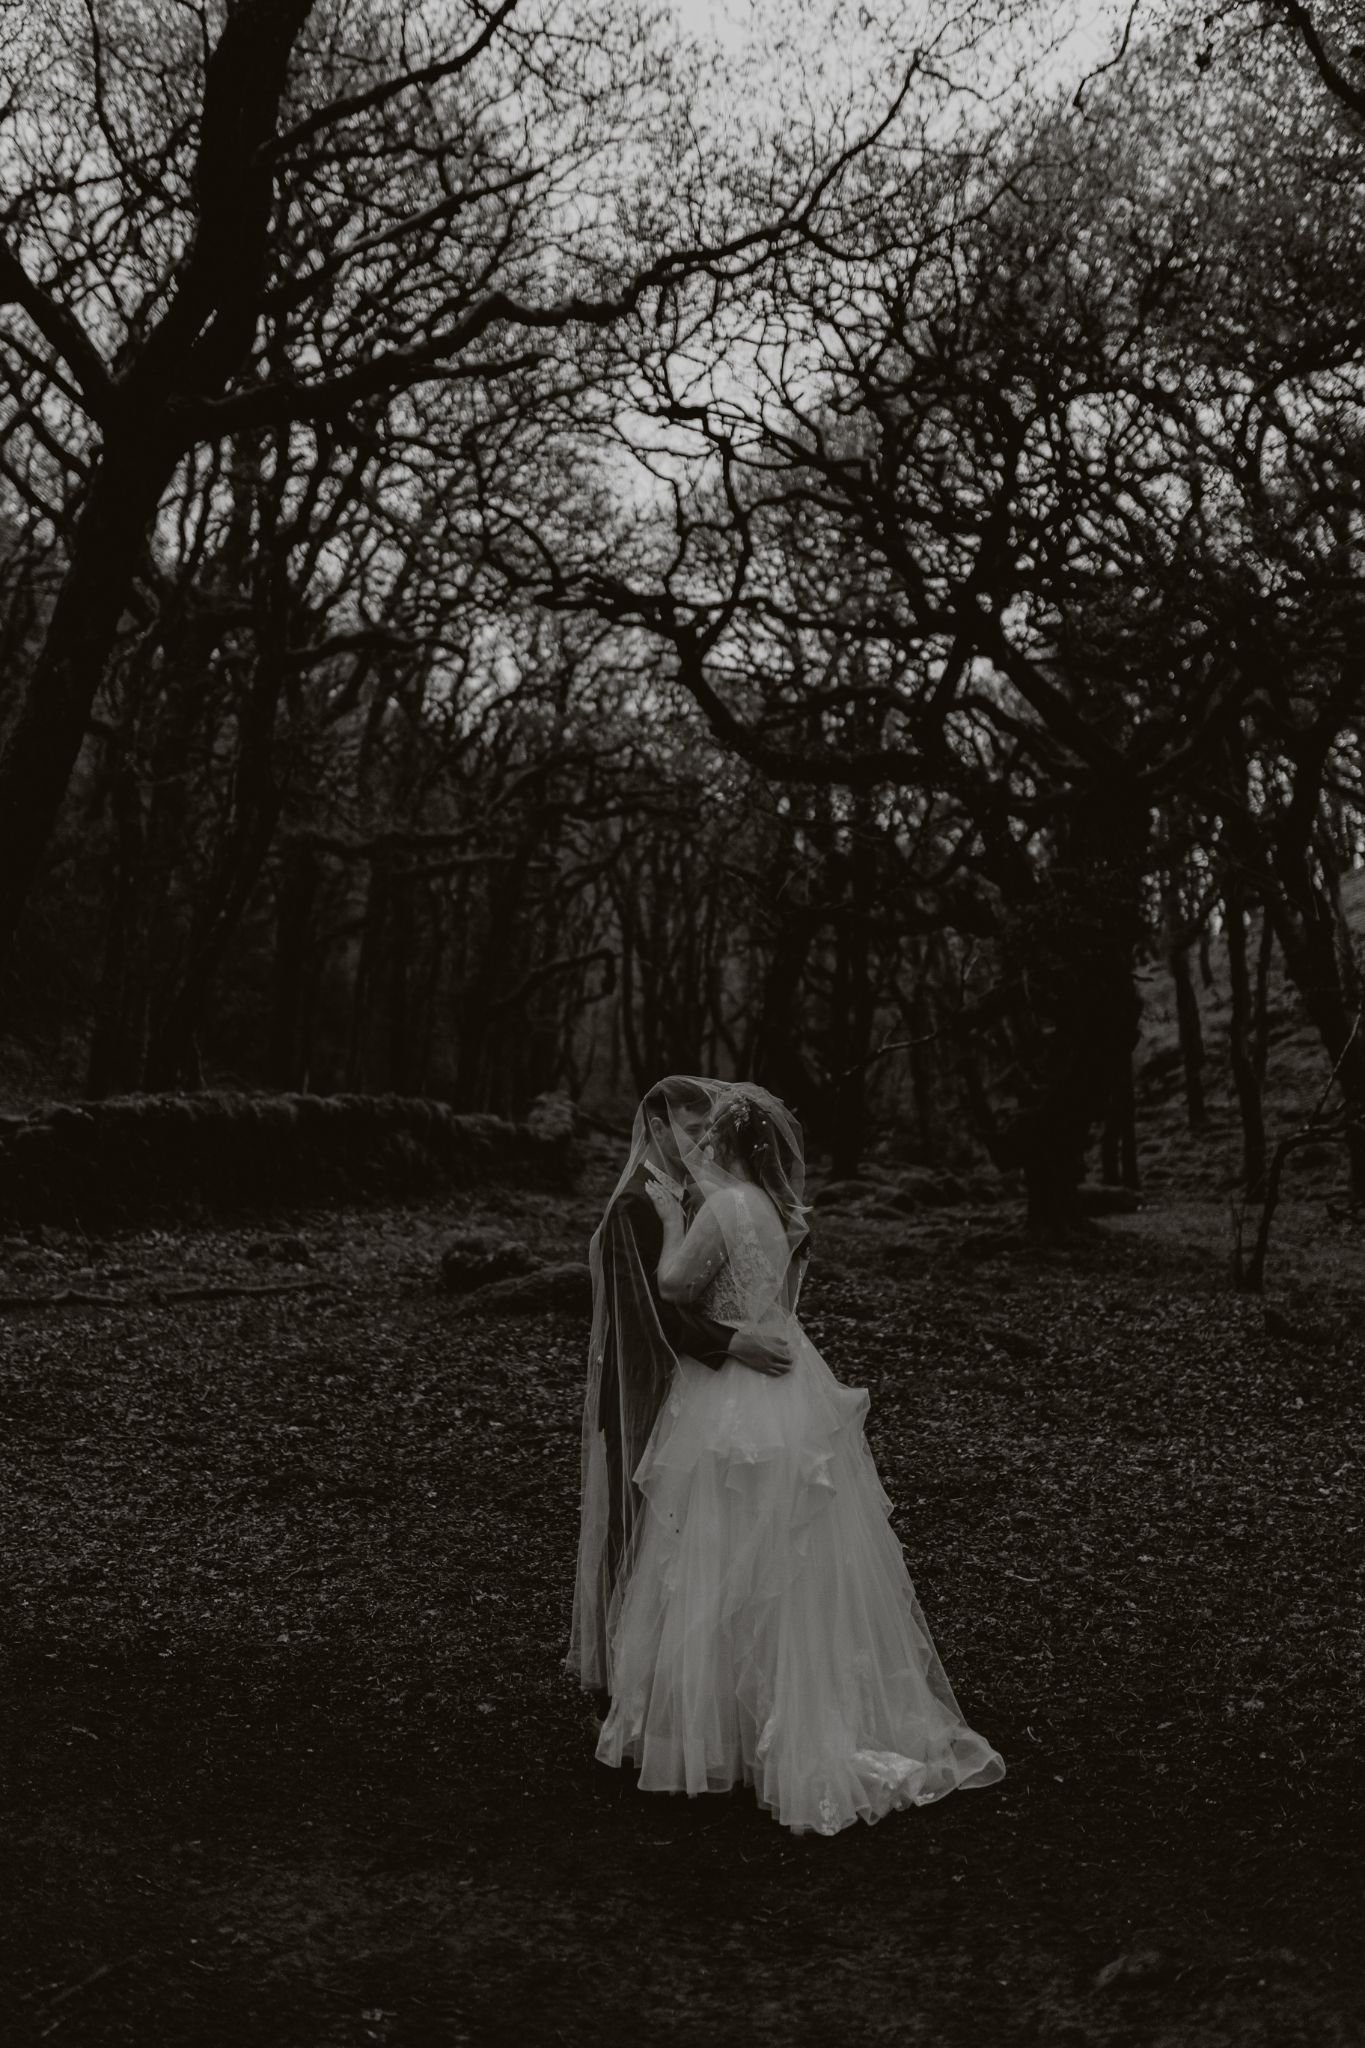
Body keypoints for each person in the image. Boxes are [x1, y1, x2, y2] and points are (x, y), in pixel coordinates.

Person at [571, 1075, 1004, 1838]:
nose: (699, 1145)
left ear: (733, 1143)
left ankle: (725, 1731)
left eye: (710, 1136)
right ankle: (787, 1713)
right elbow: (783, 1303)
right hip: (786, 1374)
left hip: (733, 1391)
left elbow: (674, 1283)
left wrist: (675, 1222)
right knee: (787, 1555)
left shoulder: (722, 1207)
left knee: (718, 1548)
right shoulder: (781, 1212)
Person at [567, 1077, 793, 1697]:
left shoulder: (692, 1194)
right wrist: (731, 1341)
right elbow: (643, 1313)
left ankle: (669, 1682)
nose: (701, 1144)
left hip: (690, 1392)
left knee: (674, 1534)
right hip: (641, 1388)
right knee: (632, 1525)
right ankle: (615, 1679)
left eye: (706, 1131)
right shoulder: (635, 1203)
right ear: (657, 1126)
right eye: (692, 1132)